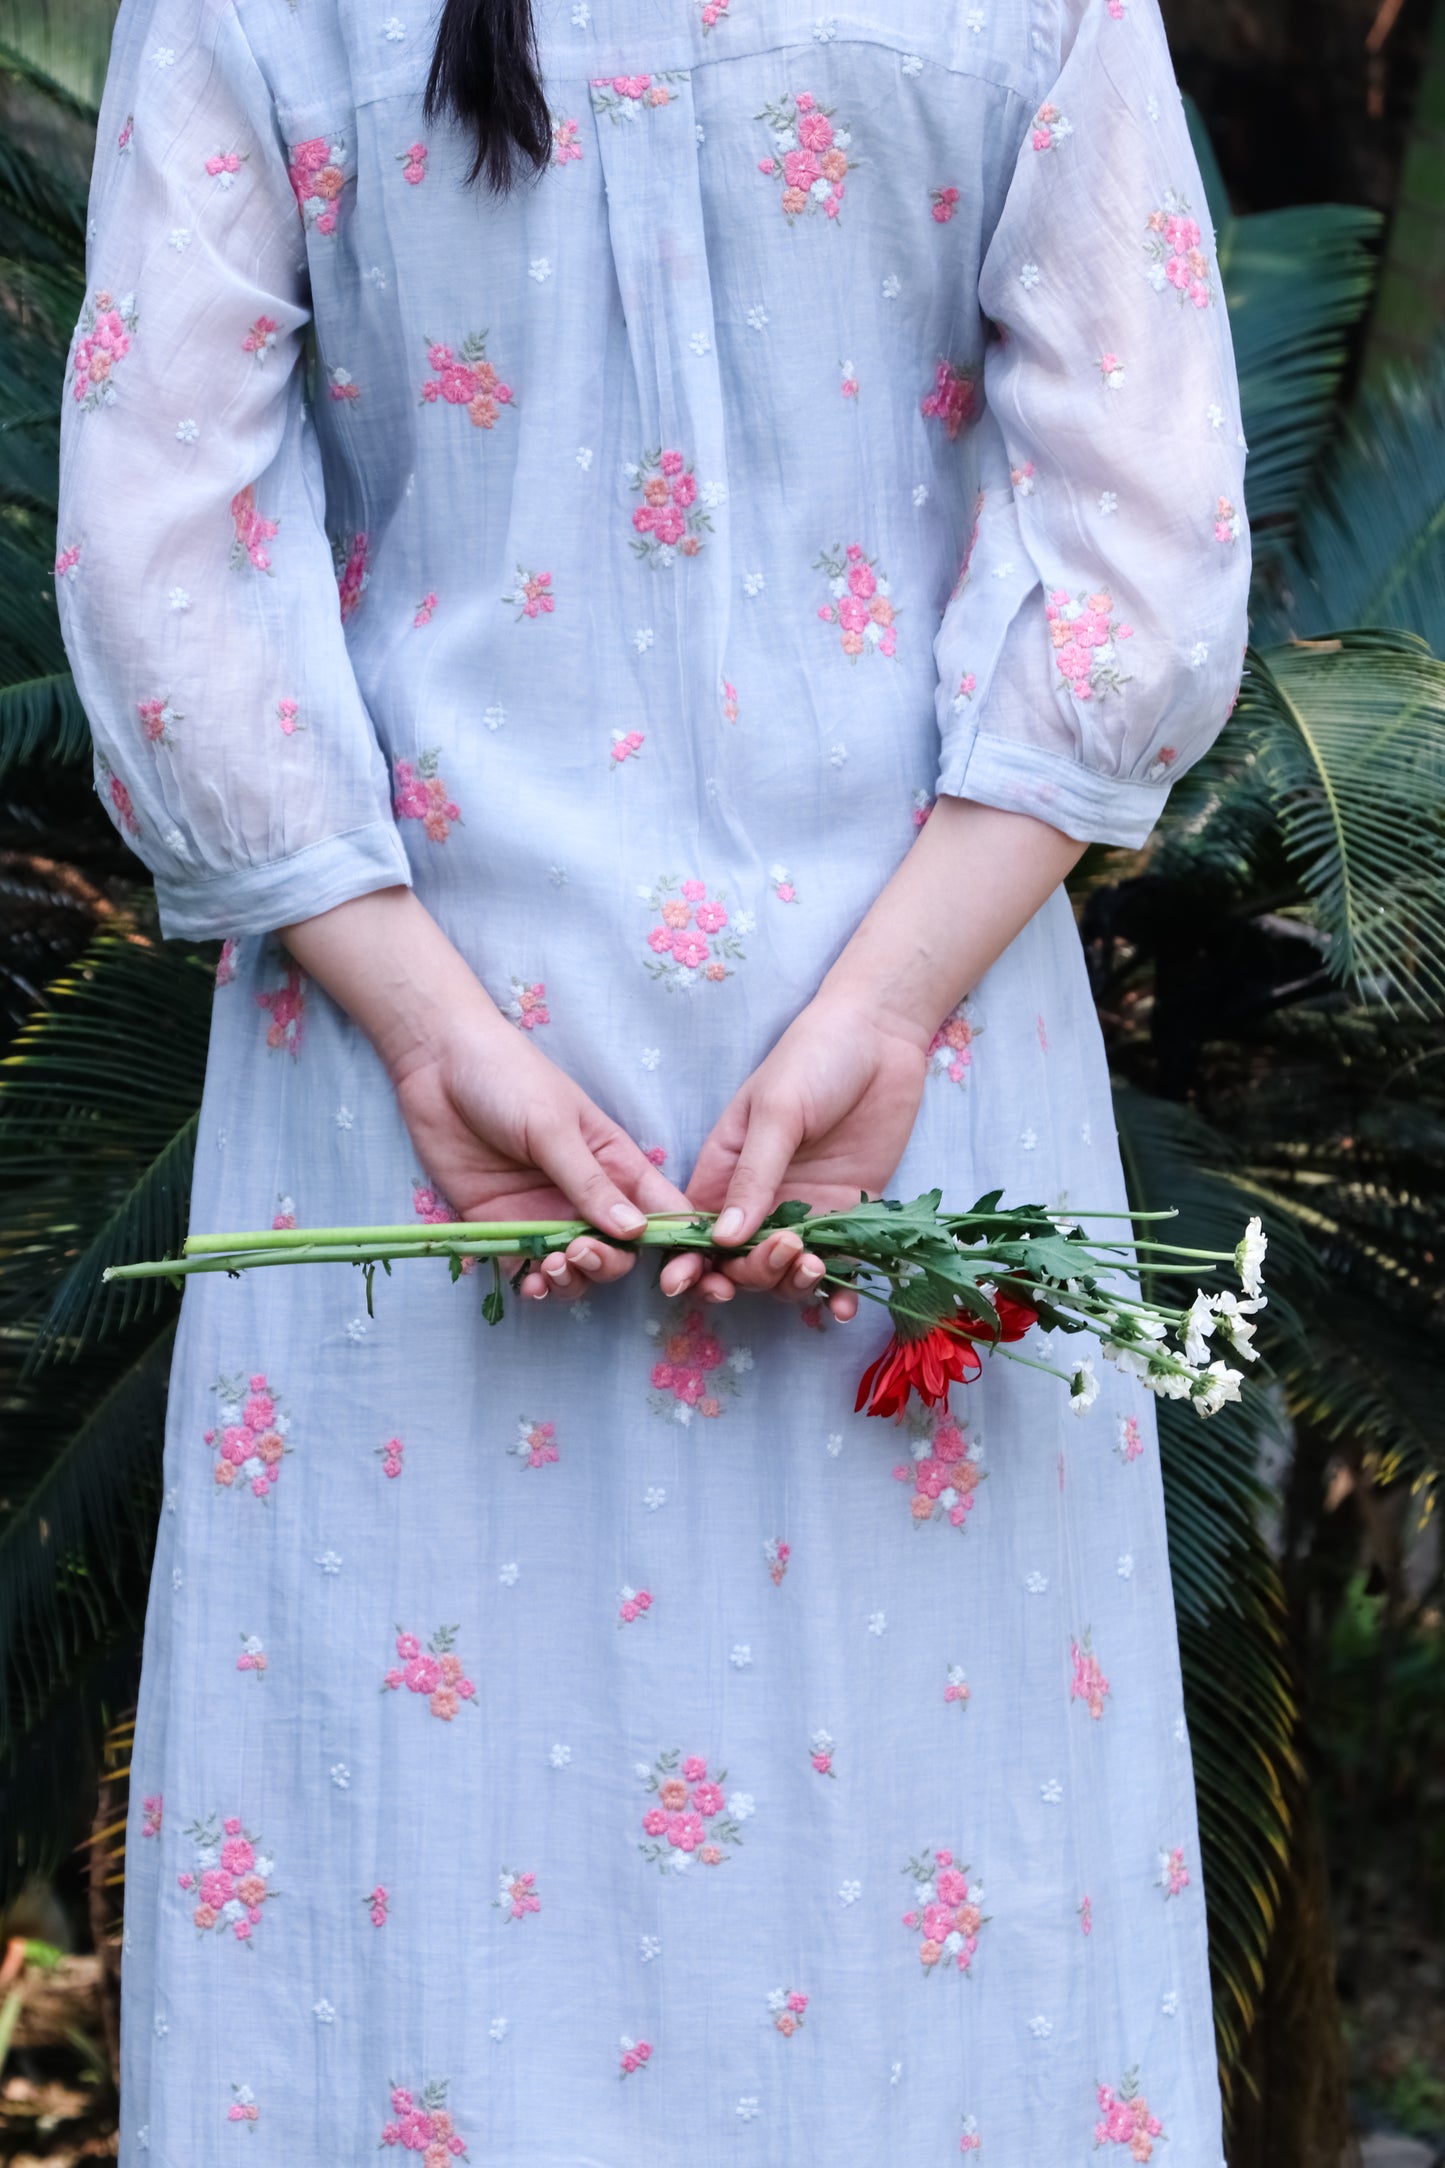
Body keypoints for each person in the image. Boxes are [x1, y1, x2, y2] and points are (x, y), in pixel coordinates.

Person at [57, 0, 1249, 2154]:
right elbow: (1138, 548)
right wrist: (887, 1011)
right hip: (926, 1089)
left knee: (410, 1917)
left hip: (410, 1124)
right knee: (949, 1917)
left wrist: (427, 1025)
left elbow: (163, 571)